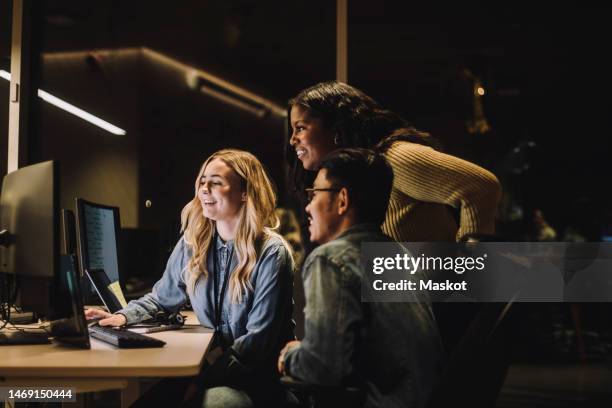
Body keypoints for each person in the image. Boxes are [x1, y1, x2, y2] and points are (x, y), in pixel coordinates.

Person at [86, 149, 295, 408]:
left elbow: (255, 345)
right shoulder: (194, 243)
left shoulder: (272, 252)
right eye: (203, 181)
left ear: (245, 192)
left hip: (256, 380)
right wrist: (123, 316)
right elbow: (162, 298)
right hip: (213, 368)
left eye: (216, 182)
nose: (204, 189)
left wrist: (200, 380)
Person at [278, 148, 443, 408]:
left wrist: (290, 356)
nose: (308, 206)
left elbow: (323, 367)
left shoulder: (331, 260)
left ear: (342, 200)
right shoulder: (400, 255)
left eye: (315, 193)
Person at [287, 81, 502, 243]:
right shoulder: (349, 180)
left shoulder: (395, 158)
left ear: (335, 127)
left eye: (300, 128)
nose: (292, 139)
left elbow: (482, 186)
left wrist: (468, 272)